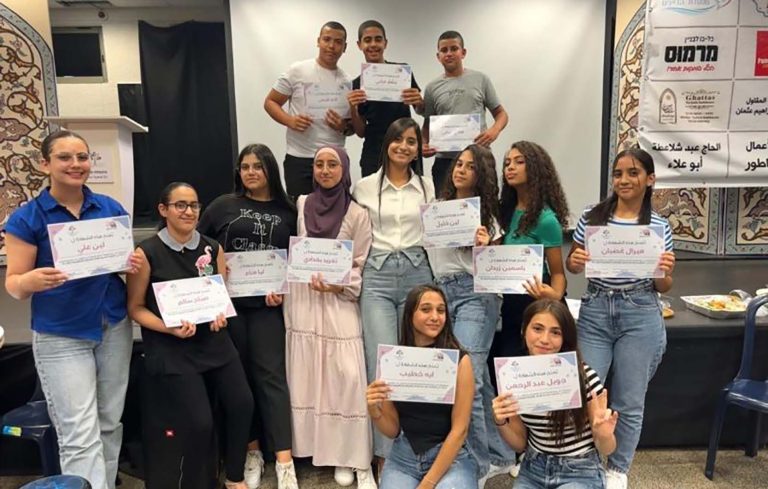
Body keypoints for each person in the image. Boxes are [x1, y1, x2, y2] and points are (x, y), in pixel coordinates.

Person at [4, 130, 141, 489]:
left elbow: (120, 265)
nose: (76, 164)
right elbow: (14, 284)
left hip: (113, 326)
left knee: (109, 423)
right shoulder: (27, 218)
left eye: (82, 157)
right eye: (65, 157)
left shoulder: (110, 209)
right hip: (61, 334)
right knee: (78, 433)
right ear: (45, 164)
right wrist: (31, 280)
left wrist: (131, 264)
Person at [126, 182, 254, 489]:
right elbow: (135, 308)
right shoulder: (146, 253)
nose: (188, 211)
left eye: (194, 205)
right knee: (200, 422)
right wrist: (167, 327)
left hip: (213, 341)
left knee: (242, 403)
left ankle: (235, 476)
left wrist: (220, 315)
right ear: (163, 210)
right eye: (180, 205)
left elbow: (220, 295)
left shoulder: (213, 248)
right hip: (171, 347)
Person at [566, 147, 675, 489]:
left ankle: (617, 469)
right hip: (596, 310)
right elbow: (573, 265)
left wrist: (664, 270)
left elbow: (663, 284)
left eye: (633, 173)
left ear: (650, 179)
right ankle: (583, 463)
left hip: (639, 311)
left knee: (628, 400)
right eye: (618, 173)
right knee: (586, 393)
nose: (623, 180)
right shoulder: (592, 217)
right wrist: (576, 261)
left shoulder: (658, 226)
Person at [197, 145, 299, 489]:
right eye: (244, 167)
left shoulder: (289, 211)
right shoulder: (222, 206)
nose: (251, 172)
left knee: (273, 380)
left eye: (258, 166)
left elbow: (298, 259)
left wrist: (284, 288)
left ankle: (284, 461)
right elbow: (198, 247)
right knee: (239, 383)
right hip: (229, 310)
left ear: (271, 169)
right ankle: (252, 451)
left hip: (269, 308)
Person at [283, 145, 376, 488]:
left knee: (346, 377)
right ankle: (318, 450)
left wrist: (337, 284)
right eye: (319, 164)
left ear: (345, 169)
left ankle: (351, 456)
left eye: (332, 164)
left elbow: (360, 263)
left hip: (339, 302)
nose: (324, 170)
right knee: (309, 376)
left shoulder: (358, 213)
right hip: (305, 302)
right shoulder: (301, 204)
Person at [425, 144, 516, 485]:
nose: (460, 170)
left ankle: (477, 465)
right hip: (442, 294)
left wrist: (484, 246)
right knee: (480, 381)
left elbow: (496, 270)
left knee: (468, 381)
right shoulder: (437, 208)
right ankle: (502, 454)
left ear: (482, 174)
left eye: (469, 166)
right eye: (458, 164)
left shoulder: (488, 218)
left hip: (476, 295)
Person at [352, 117, 435, 464]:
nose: (404, 146)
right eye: (398, 139)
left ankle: (419, 447)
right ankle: (385, 456)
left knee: (417, 361)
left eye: (411, 141)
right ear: (387, 144)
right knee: (382, 362)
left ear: (418, 150)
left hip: (418, 274)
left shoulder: (428, 187)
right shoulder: (364, 187)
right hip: (378, 276)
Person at [492, 299, 618, 489]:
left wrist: (604, 434)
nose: (544, 339)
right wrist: (500, 421)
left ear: (565, 338)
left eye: (555, 332)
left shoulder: (585, 377)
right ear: (524, 330)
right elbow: (519, 444)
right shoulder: (512, 378)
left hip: (580, 470)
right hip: (533, 467)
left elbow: (607, 449)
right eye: (537, 329)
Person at [366, 285, 475, 488]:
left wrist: (427, 484)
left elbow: (460, 430)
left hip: (451, 458)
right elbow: (392, 430)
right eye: (426, 309)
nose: (435, 317)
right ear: (409, 315)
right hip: (403, 457)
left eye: (440, 310)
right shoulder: (393, 360)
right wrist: (374, 410)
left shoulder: (461, 361)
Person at [489, 141, 569, 366]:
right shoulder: (502, 211)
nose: (510, 167)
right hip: (508, 302)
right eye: (507, 163)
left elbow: (558, 274)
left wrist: (553, 296)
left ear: (535, 168)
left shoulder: (546, 220)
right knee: (507, 367)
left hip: (535, 301)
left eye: (519, 162)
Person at [264, 21, 351, 199]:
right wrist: (290, 120)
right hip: (300, 157)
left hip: (334, 158)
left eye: (338, 42)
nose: (331, 46)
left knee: (335, 211)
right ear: (318, 41)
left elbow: (351, 128)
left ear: (345, 47)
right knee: (299, 210)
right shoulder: (298, 70)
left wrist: (342, 126)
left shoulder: (347, 81)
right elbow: (270, 102)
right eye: (327, 39)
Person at [421, 30, 508, 192]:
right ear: (438, 56)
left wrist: (494, 131)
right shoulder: (432, 88)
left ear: (463, 52)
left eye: (454, 48)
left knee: (485, 205)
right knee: (447, 207)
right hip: (445, 163)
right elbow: (427, 125)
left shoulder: (481, 79)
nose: (449, 53)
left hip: (479, 158)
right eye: (444, 50)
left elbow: (501, 114)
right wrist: (424, 144)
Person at [347, 20, 424, 177]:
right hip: (374, 152)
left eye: (378, 39)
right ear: (359, 45)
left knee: (411, 191)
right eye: (367, 40)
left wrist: (419, 101)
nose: (373, 44)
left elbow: (421, 110)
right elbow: (361, 132)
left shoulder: (401, 72)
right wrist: (352, 108)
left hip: (404, 148)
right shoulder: (356, 84)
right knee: (371, 193)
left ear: (385, 43)